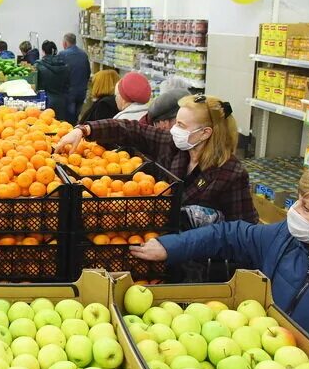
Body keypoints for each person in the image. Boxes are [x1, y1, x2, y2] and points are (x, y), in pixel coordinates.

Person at [131, 164, 309, 369]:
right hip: (256, 361)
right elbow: (231, 235)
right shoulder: (285, 239)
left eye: (306, 209)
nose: (293, 211)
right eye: (297, 201)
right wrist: (170, 246)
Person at [55, 94, 257, 225]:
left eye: (181, 125)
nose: (174, 130)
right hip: (155, 236)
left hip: (198, 256)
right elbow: (130, 130)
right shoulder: (172, 145)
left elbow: (244, 229)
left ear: (205, 133)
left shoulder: (231, 173)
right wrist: (85, 130)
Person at [56, 33, 91, 125]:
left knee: (68, 118)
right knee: (77, 115)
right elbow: (88, 72)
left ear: (65, 43)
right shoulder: (83, 54)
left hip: (69, 91)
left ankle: (70, 133)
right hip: (82, 90)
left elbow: (59, 74)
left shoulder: (62, 54)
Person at [35, 41, 72, 122]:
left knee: (46, 126)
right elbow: (68, 84)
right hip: (62, 101)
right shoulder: (65, 66)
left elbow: (36, 85)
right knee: (61, 127)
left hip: (45, 101)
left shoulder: (39, 66)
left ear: (43, 51)